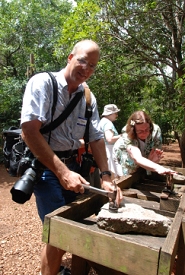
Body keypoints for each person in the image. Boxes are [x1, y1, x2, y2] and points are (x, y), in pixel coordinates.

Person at [20, 39, 122, 275]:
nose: (87, 69)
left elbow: (96, 137)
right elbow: (29, 131)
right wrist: (62, 172)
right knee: (58, 233)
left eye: (93, 66)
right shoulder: (43, 83)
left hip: (74, 166)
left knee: (75, 223)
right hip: (46, 167)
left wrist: (106, 176)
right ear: (70, 57)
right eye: (83, 61)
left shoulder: (88, 97)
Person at [113, 110, 175, 176]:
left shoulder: (156, 130)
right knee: (128, 176)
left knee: (146, 173)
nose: (144, 133)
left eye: (147, 129)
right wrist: (159, 168)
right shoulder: (127, 133)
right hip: (125, 158)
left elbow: (154, 156)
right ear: (133, 130)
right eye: (140, 131)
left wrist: (153, 160)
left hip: (142, 157)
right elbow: (137, 158)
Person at [99, 104, 122, 178]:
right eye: (116, 113)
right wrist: (122, 136)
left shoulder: (102, 121)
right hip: (109, 151)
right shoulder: (107, 123)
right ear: (110, 113)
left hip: (104, 151)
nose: (117, 115)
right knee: (113, 177)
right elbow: (109, 139)